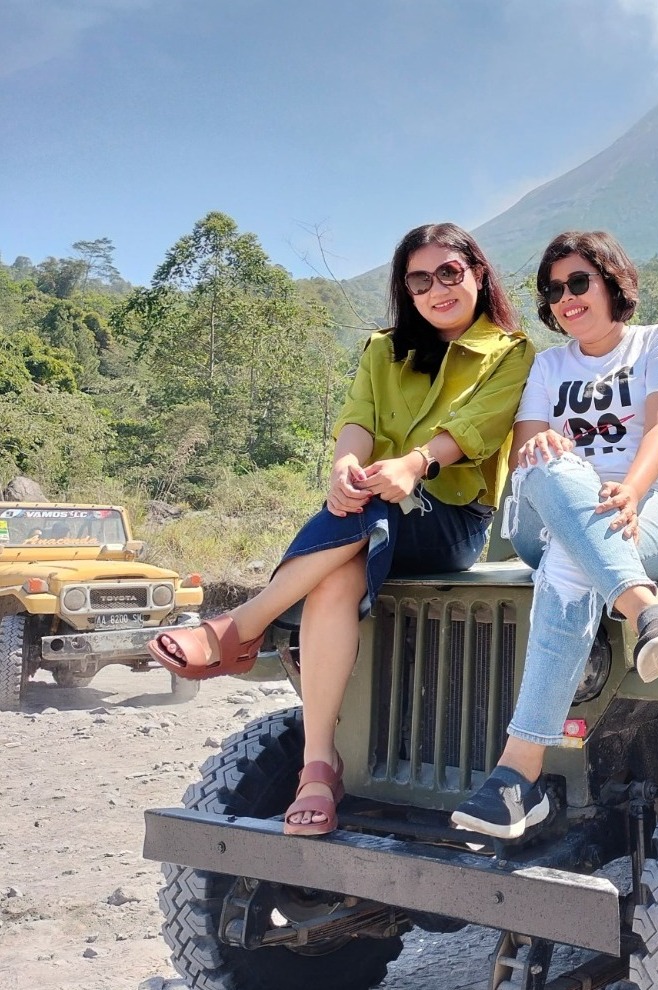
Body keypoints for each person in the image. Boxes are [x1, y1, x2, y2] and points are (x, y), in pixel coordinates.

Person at [147, 222, 534, 837]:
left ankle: (240, 627)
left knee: (374, 505)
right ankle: (319, 769)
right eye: (419, 279)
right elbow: (357, 420)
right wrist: (343, 469)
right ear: (405, 290)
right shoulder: (384, 350)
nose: (437, 289)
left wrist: (416, 463)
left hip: (452, 520)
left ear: (478, 274)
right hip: (369, 516)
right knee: (336, 579)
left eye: (450, 273)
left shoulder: (512, 352)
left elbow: (479, 425)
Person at [451, 231, 658, 840]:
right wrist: (546, 451)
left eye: (579, 282)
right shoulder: (548, 364)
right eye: (554, 290)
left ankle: (517, 777)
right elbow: (528, 451)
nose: (566, 299)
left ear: (614, 283)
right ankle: (645, 611)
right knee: (544, 462)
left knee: (572, 552)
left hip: (656, 508)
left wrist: (633, 491)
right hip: (559, 515)